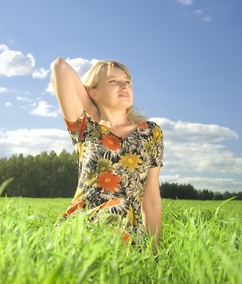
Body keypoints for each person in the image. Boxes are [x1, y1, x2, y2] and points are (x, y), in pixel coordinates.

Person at [51, 57, 163, 247]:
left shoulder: (150, 132)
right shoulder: (86, 129)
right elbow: (60, 67)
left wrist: (155, 250)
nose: (124, 86)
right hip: (82, 225)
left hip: (129, 229)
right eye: (114, 82)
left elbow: (151, 198)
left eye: (127, 82)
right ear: (94, 92)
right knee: (116, 210)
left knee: (120, 209)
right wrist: (95, 111)